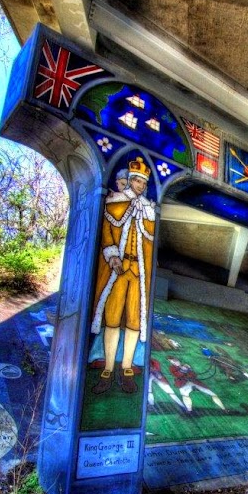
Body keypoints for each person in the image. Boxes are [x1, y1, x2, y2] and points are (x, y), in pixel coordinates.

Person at [90, 156, 156, 394]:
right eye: (137, 181)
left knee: (135, 320)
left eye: (143, 183)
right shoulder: (114, 202)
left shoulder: (149, 210)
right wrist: (112, 256)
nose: (140, 186)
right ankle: (108, 369)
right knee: (112, 317)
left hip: (138, 273)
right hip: (118, 270)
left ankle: (126, 368)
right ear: (129, 181)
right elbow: (107, 233)